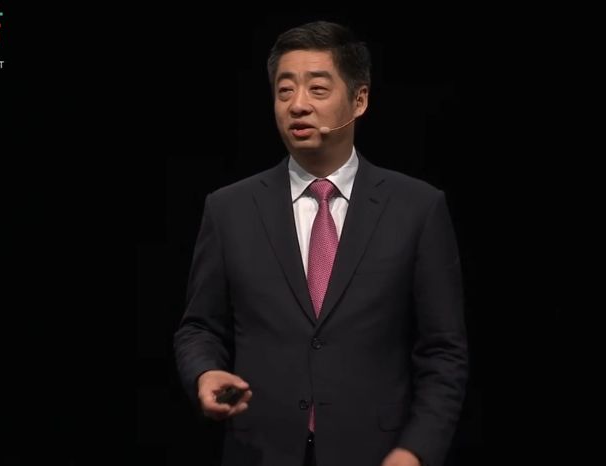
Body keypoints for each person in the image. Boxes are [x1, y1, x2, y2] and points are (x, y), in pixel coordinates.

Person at [174, 20, 468, 466]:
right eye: (284, 90)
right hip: (260, 451)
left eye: (317, 89)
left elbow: (443, 351)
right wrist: (205, 372)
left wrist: (415, 451)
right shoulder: (229, 208)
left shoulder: (417, 208)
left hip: (376, 453)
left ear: (359, 99)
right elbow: (199, 326)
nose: (298, 105)